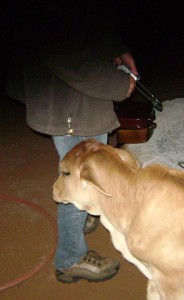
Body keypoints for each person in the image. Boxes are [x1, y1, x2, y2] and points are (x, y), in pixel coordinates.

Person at [6, 0, 138, 283]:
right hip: (70, 106)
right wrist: (117, 85)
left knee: (86, 179)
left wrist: (118, 49)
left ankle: (85, 216)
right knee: (77, 183)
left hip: (79, 100)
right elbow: (62, 50)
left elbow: (90, 24)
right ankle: (70, 257)